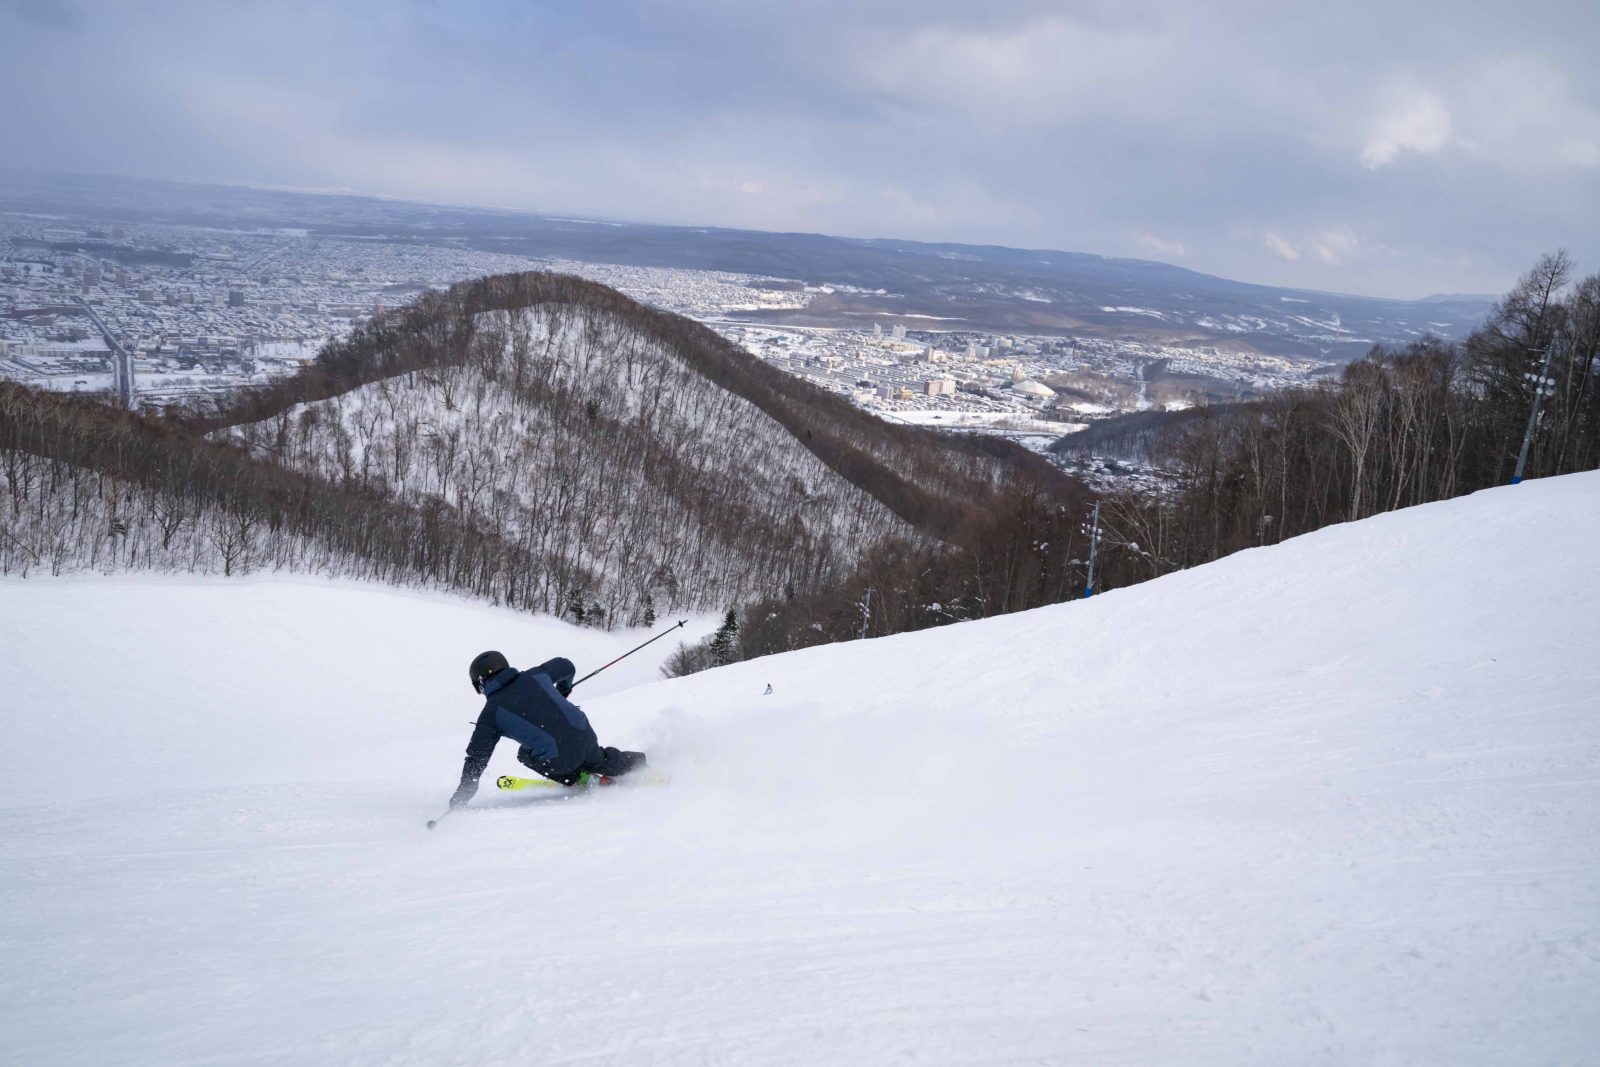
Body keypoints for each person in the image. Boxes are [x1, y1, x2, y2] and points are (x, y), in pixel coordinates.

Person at [447, 651, 646, 810]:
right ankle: (640, 762)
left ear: (481, 682)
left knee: (525, 754)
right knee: (599, 758)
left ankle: (577, 778)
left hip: (560, 760)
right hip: (585, 735)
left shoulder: (490, 714)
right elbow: (567, 665)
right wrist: (563, 689)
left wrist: (465, 792)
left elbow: (476, 757)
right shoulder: (536, 674)